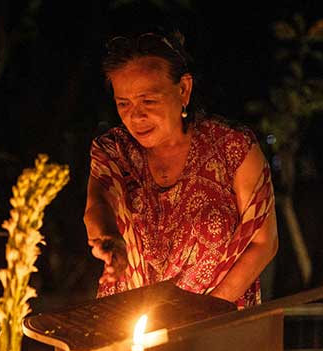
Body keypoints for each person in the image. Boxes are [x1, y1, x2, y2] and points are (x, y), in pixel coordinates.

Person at [85, 32, 278, 308]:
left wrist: (203, 313)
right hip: (132, 327)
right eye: (123, 104)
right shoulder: (115, 152)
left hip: (216, 326)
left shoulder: (231, 147)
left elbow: (263, 243)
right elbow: (98, 203)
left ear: (184, 89)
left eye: (148, 101)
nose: (135, 116)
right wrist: (107, 238)